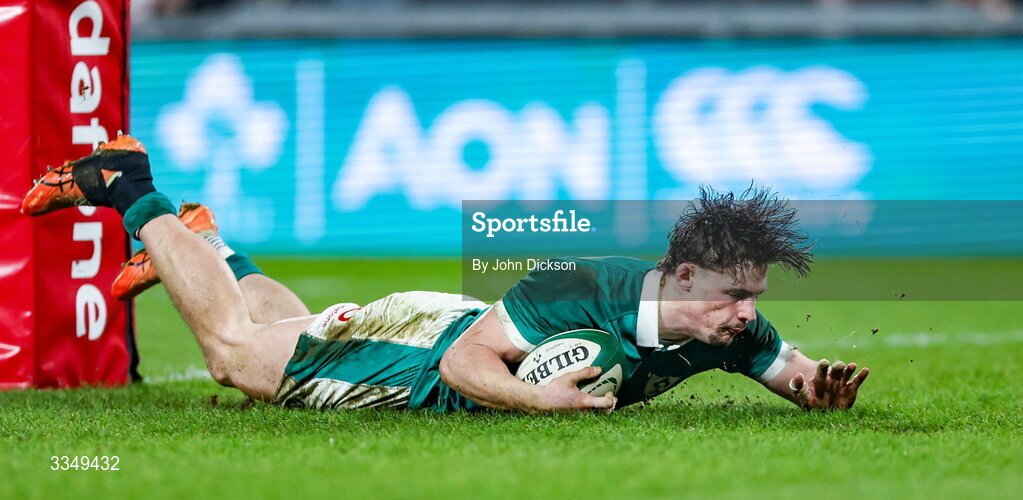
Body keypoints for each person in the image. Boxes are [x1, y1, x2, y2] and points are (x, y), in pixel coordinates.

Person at [22, 135, 868, 413]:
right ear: (683, 276)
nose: (746, 313)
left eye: (753, 295)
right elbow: (466, 365)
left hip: (445, 326)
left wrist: (813, 387)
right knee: (235, 358)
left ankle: (209, 244)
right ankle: (130, 188)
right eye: (735, 294)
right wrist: (544, 401)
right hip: (425, 356)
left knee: (309, 323)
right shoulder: (581, 284)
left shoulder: (726, 329)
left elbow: (786, 367)